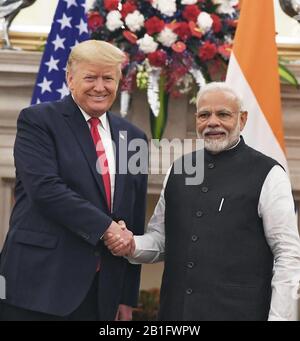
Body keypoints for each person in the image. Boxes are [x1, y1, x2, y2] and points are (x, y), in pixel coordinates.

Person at [105, 82, 300, 321]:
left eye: (223, 114)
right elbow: (161, 240)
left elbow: (287, 255)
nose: (212, 122)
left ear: (243, 119)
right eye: (204, 115)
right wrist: (130, 244)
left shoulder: (269, 173)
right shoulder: (179, 169)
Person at [0, 40, 148, 321]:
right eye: (90, 77)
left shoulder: (134, 138)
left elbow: (134, 214)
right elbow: (45, 190)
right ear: (70, 78)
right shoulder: (38, 121)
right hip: (38, 286)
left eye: (108, 78)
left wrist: (126, 296)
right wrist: (107, 228)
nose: (100, 87)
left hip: (100, 293)